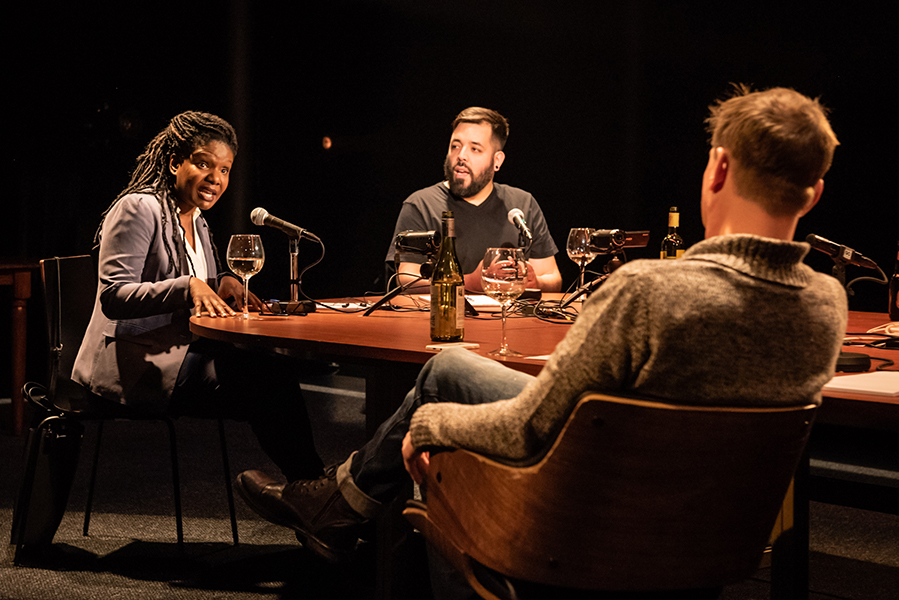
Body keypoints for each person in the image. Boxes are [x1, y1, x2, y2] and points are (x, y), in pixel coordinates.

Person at [235, 84, 847, 585]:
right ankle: (338, 506)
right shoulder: (827, 306)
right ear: (814, 191)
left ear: (718, 168)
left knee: (442, 382)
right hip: (714, 536)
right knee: (451, 367)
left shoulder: (646, 290)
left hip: (581, 522)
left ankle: (340, 509)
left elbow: (535, 424)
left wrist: (430, 426)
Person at [73, 111, 323, 481]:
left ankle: (313, 488)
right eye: (204, 164)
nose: (215, 179)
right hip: (133, 362)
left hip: (181, 351)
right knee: (266, 381)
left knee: (273, 370)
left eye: (224, 170)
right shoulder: (139, 207)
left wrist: (219, 281)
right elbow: (113, 295)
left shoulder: (196, 219)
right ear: (175, 161)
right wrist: (189, 286)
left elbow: (190, 283)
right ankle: (313, 489)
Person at [387, 107, 563, 292]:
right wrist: (469, 283)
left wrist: (536, 283)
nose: (461, 156)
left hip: (510, 318)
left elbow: (553, 278)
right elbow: (406, 281)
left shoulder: (523, 204)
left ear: (497, 161)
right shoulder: (421, 205)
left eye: (475, 149)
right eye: (455, 146)